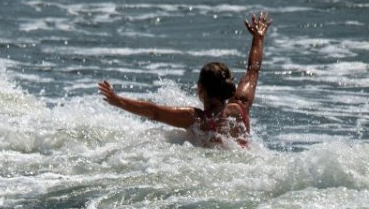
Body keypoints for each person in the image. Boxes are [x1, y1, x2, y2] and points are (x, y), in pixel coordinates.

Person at [98, 12, 272, 148]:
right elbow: (253, 70)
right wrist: (258, 37)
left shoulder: (197, 119)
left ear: (201, 89)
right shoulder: (241, 107)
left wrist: (118, 100)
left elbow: (155, 112)